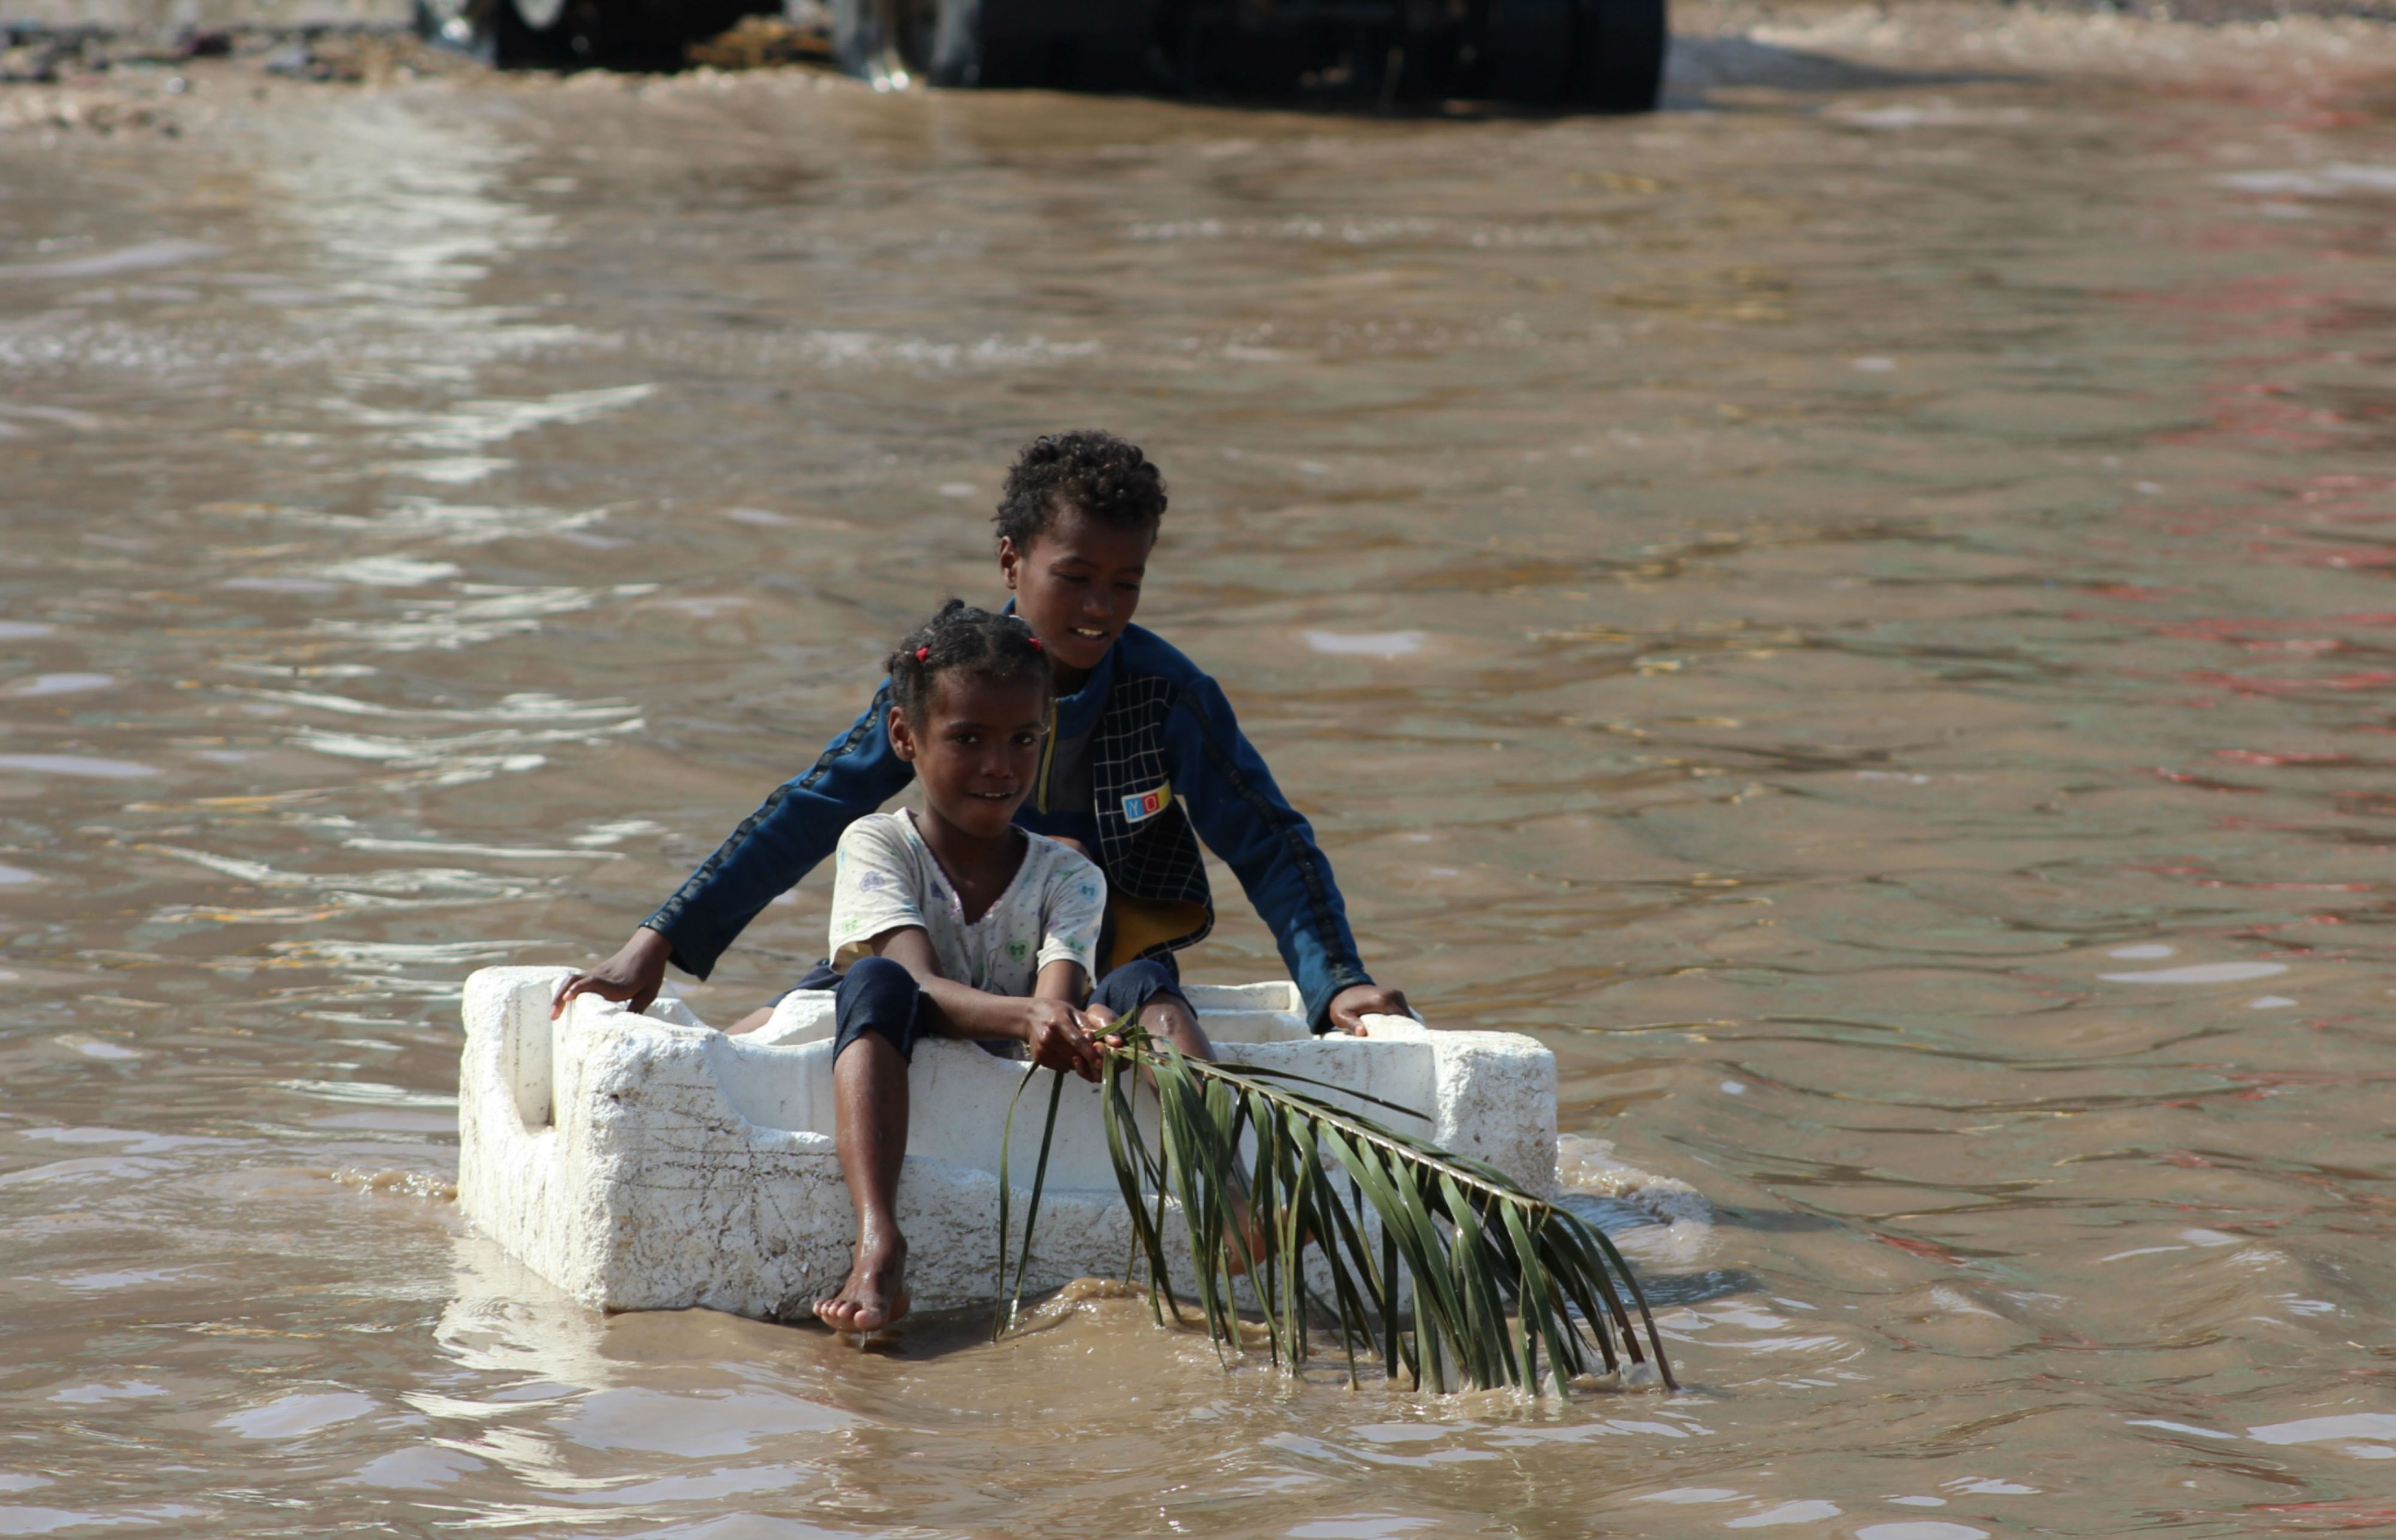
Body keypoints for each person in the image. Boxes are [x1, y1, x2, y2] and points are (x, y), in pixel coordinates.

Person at [553, 428, 1412, 1054]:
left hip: (1090, 971)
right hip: (941, 959)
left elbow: (1268, 838)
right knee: (769, 1031)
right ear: (1011, 562)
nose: (1100, 607)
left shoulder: (1168, 693)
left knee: (1155, 1010)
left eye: (1126, 583)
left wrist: (1334, 977)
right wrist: (658, 939)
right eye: (1073, 577)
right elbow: (811, 808)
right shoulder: (952, 676)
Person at [733, 601, 1212, 1333]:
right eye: (967, 738)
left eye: (1024, 739)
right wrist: (1033, 1017)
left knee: (1145, 981)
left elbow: (1060, 990)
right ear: (905, 736)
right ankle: (879, 1242)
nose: (999, 765)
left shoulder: (1070, 874)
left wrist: (1072, 1023)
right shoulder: (877, 844)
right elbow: (918, 982)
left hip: (1005, 1028)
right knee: (869, 982)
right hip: (896, 1009)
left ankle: (1228, 1192)